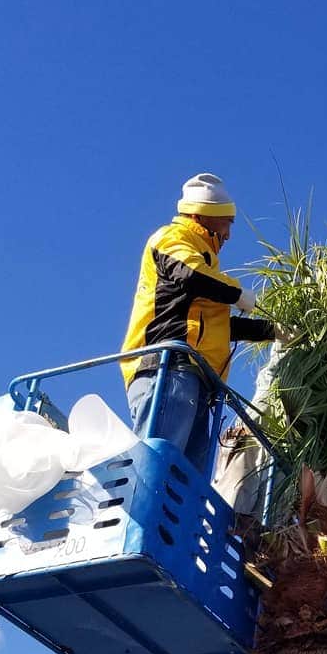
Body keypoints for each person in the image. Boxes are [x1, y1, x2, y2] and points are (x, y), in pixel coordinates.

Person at [120, 172, 273, 469]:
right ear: (205, 215)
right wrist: (238, 294)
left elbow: (215, 327)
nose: (229, 234)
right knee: (160, 465)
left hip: (197, 378)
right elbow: (189, 273)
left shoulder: (205, 266)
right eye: (227, 222)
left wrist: (273, 330)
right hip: (168, 367)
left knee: (186, 477)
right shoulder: (171, 239)